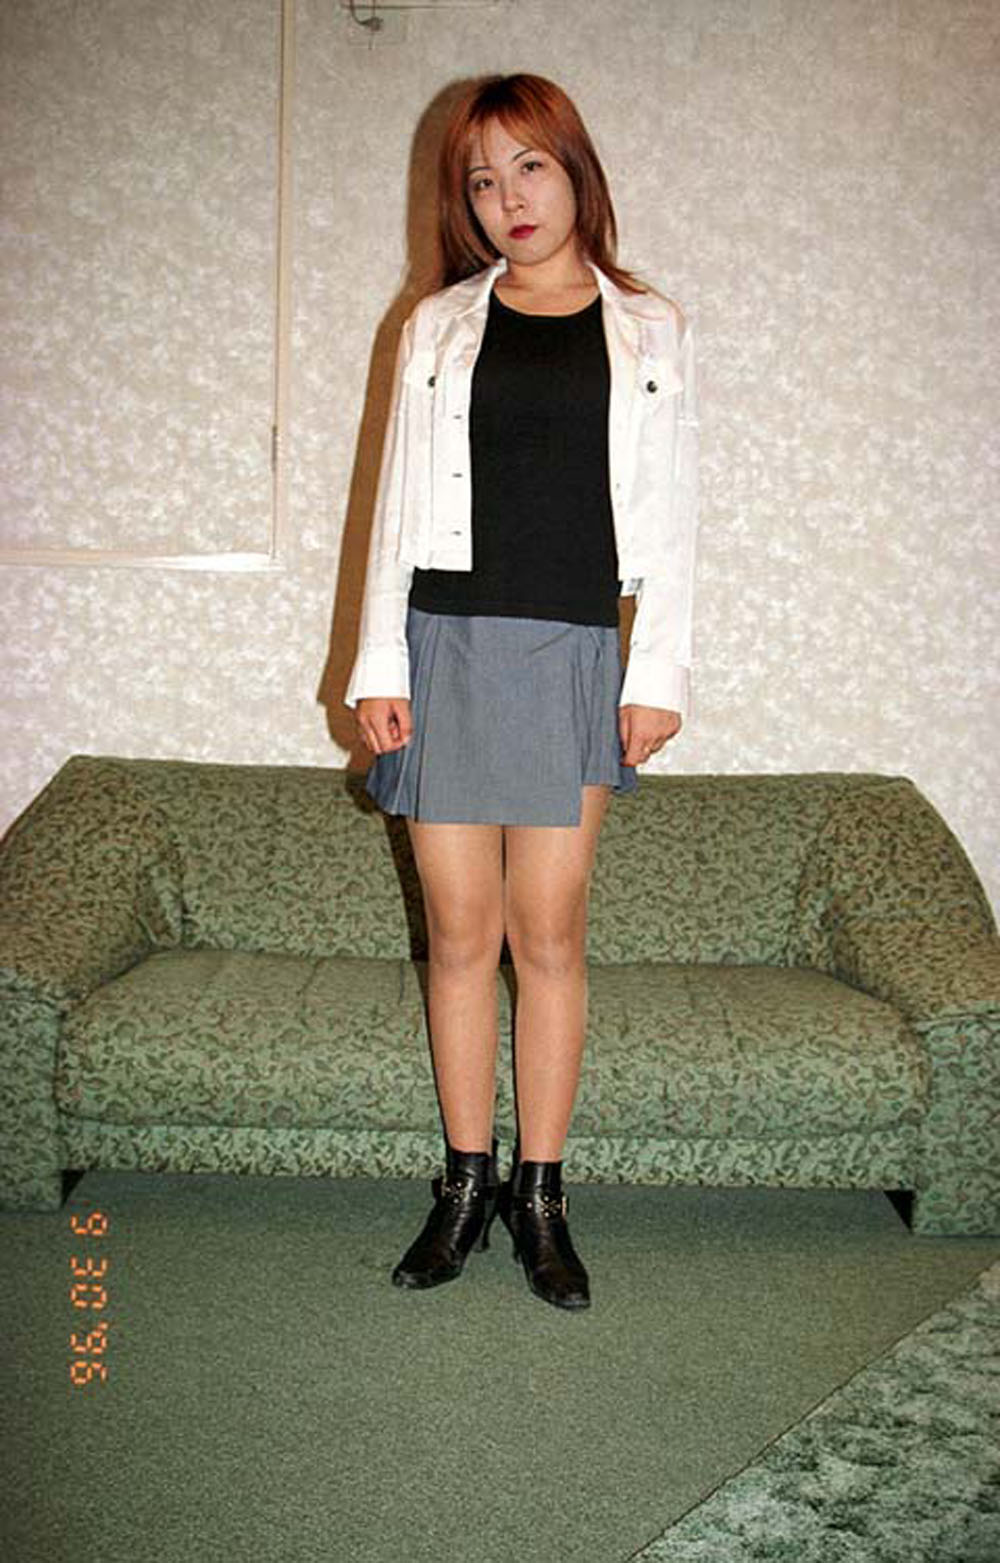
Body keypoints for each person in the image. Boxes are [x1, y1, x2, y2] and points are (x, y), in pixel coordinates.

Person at [343, 73, 699, 1311]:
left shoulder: (651, 328)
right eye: (483, 180)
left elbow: (675, 515)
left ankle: (539, 1198)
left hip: (572, 649)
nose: (509, 199)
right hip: (441, 643)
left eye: (528, 167)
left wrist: (656, 673)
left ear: (574, 170)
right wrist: (378, 664)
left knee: (546, 934)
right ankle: (464, 1186)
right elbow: (394, 502)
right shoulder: (436, 325)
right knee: (459, 934)